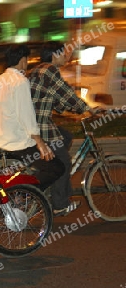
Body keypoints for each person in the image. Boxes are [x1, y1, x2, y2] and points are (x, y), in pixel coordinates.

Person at [0, 44, 66, 215]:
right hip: (17, 143)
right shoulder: (20, 81)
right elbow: (26, 114)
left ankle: (21, 191)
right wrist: (39, 142)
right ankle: (24, 192)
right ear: (22, 61)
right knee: (57, 168)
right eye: (27, 60)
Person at [28, 41, 98, 216]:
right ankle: (60, 204)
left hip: (34, 123)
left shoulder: (38, 70)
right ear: (54, 54)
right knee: (64, 163)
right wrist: (87, 109)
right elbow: (66, 93)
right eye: (64, 53)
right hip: (40, 126)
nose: (67, 56)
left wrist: (71, 110)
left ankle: (52, 174)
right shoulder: (49, 70)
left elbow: (57, 99)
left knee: (65, 136)